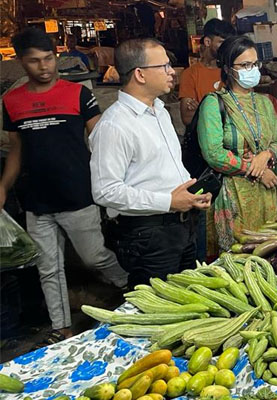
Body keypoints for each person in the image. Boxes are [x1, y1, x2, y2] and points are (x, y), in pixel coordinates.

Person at [1, 28, 128, 346]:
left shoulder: (78, 94)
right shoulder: (12, 102)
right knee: (48, 267)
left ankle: (133, 288)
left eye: (48, 59)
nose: (44, 67)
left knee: (94, 257)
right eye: (34, 61)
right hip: (37, 200)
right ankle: (62, 328)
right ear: (21, 62)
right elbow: (17, 150)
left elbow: (100, 141)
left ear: (55, 57)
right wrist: (4, 186)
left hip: (78, 195)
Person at [89, 38, 212, 287]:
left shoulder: (160, 111)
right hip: (148, 235)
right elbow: (105, 192)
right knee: (159, 311)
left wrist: (190, 196)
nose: (171, 72)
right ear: (140, 74)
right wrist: (168, 201)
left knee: (188, 300)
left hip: (182, 226)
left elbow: (162, 169)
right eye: (164, 66)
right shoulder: (114, 125)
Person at [197, 36, 277, 255]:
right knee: (239, 256)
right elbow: (213, 153)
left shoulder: (265, 102)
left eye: (255, 64)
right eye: (244, 65)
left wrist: (265, 156)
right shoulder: (213, 104)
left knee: (270, 253)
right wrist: (258, 172)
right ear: (227, 68)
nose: (251, 70)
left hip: (269, 195)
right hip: (233, 197)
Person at [179, 18, 236, 126]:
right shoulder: (190, 74)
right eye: (222, 43)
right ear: (208, 42)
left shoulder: (233, 71)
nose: (227, 48)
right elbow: (187, 118)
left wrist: (202, 110)